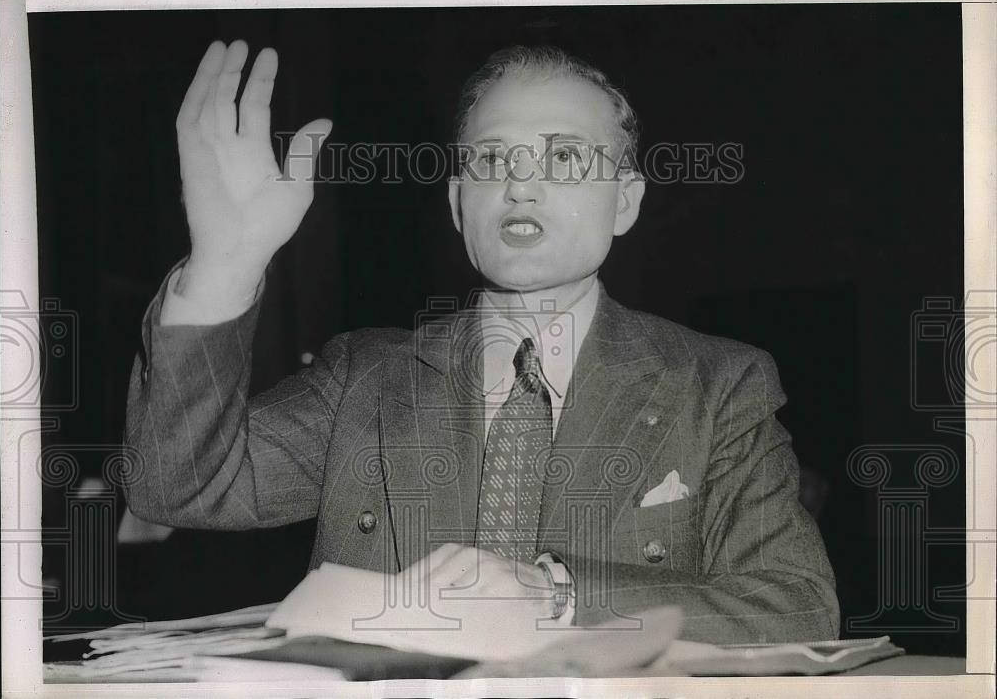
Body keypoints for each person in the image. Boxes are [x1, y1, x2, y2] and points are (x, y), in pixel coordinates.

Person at [124, 39, 840, 644]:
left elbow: (797, 607)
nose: (520, 187)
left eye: (564, 159)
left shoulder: (717, 385)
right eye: (492, 161)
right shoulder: (364, 377)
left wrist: (556, 599)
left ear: (625, 201)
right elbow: (175, 487)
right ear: (457, 203)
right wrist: (227, 262)